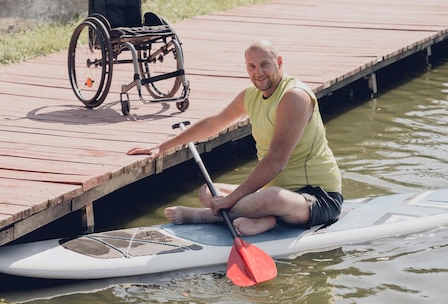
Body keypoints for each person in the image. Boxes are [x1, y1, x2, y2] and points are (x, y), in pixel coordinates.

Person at [127, 39, 343, 236]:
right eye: (251, 66)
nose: (258, 72)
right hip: (272, 190)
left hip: (317, 196)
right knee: (208, 191)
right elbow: (213, 123)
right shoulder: (251, 96)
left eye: (265, 64)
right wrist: (162, 146)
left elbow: (276, 162)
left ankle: (203, 216)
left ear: (279, 62)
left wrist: (231, 199)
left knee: (272, 198)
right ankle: (264, 218)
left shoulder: (294, 96)